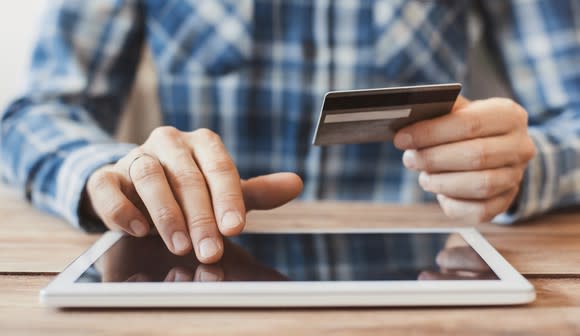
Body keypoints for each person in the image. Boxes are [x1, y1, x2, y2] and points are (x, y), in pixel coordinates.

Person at [1, 1, 577, 264]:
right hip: (195, 289)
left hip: (419, 299)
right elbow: (36, 113)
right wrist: (113, 173)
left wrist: (520, 169)